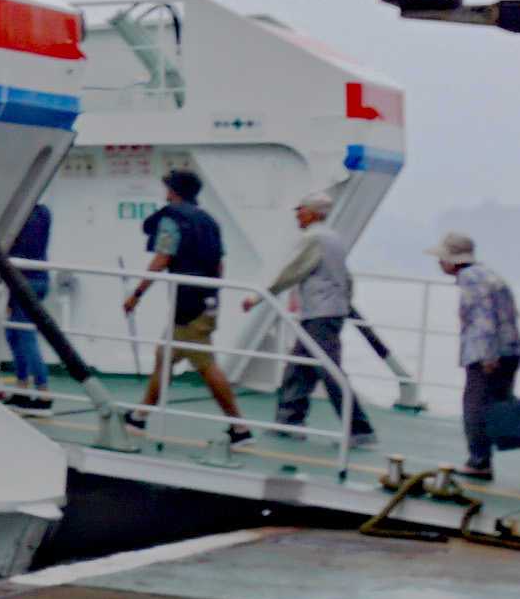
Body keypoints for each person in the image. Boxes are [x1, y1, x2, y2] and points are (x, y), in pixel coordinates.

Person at [123, 167, 247, 440]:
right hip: (205, 301)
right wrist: (211, 293)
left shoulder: (172, 220)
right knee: (164, 358)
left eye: (167, 187)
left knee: (206, 365)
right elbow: (219, 264)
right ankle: (139, 417)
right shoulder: (209, 220)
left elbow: (162, 258)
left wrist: (137, 294)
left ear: (173, 191)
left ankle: (240, 428)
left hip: (188, 307)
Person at [265, 190, 374, 443]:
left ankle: (359, 428)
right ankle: (289, 420)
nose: (296, 215)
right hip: (327, 311)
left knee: (330, 371)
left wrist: (262, 295)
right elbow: (346, 277)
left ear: (311, 213)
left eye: (300, 210)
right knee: (299, 366)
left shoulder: (312, 238)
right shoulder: (333, 238)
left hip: (320, 313)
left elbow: (293, 271)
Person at [441, 231, 520, 482]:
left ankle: (479, 461)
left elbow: (484, 319)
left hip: (489, 353)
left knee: (476, 407)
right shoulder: (485, 274)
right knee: (504, 407)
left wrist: (487, 356)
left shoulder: (471, 279)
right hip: (510, 349)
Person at [0, 197, 57, 398]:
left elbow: (14, 249)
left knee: (24, 336)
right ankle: (22, 386)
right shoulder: (44, 213)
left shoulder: (19, 217)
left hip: (23, 282)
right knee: (13, 334)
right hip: (39, 279)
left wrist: (9, 296)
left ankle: (43, 392)